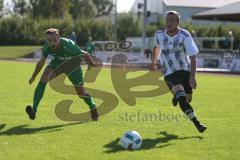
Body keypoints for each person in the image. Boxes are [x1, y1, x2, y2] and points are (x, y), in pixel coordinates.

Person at [149, 11, 207, 133]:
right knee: (181, 98)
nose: (168, 23)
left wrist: (192, 78)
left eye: (172, 21)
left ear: (177, 22)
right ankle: (197, 124)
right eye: (167, 21)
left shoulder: (185, 35)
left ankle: (177, 95)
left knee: (187, 98)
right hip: (169, 71)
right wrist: (153, 61)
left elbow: (193, 57)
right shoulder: (159, 35)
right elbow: (156, 47)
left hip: (184, 71)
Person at [26, 28, 99, 121]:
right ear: (46, 41)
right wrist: (33, 76)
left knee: (81, 93)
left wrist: (92, 64)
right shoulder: (46, 48)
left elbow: (85, 54)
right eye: (49, 41)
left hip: (73, 66)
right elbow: (41, 62)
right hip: (58, 63)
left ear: (59, 38)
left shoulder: (68, 45)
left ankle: (92, 106)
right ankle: (34, 109)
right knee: (44, 78)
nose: (52, 43)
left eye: (54, 40)